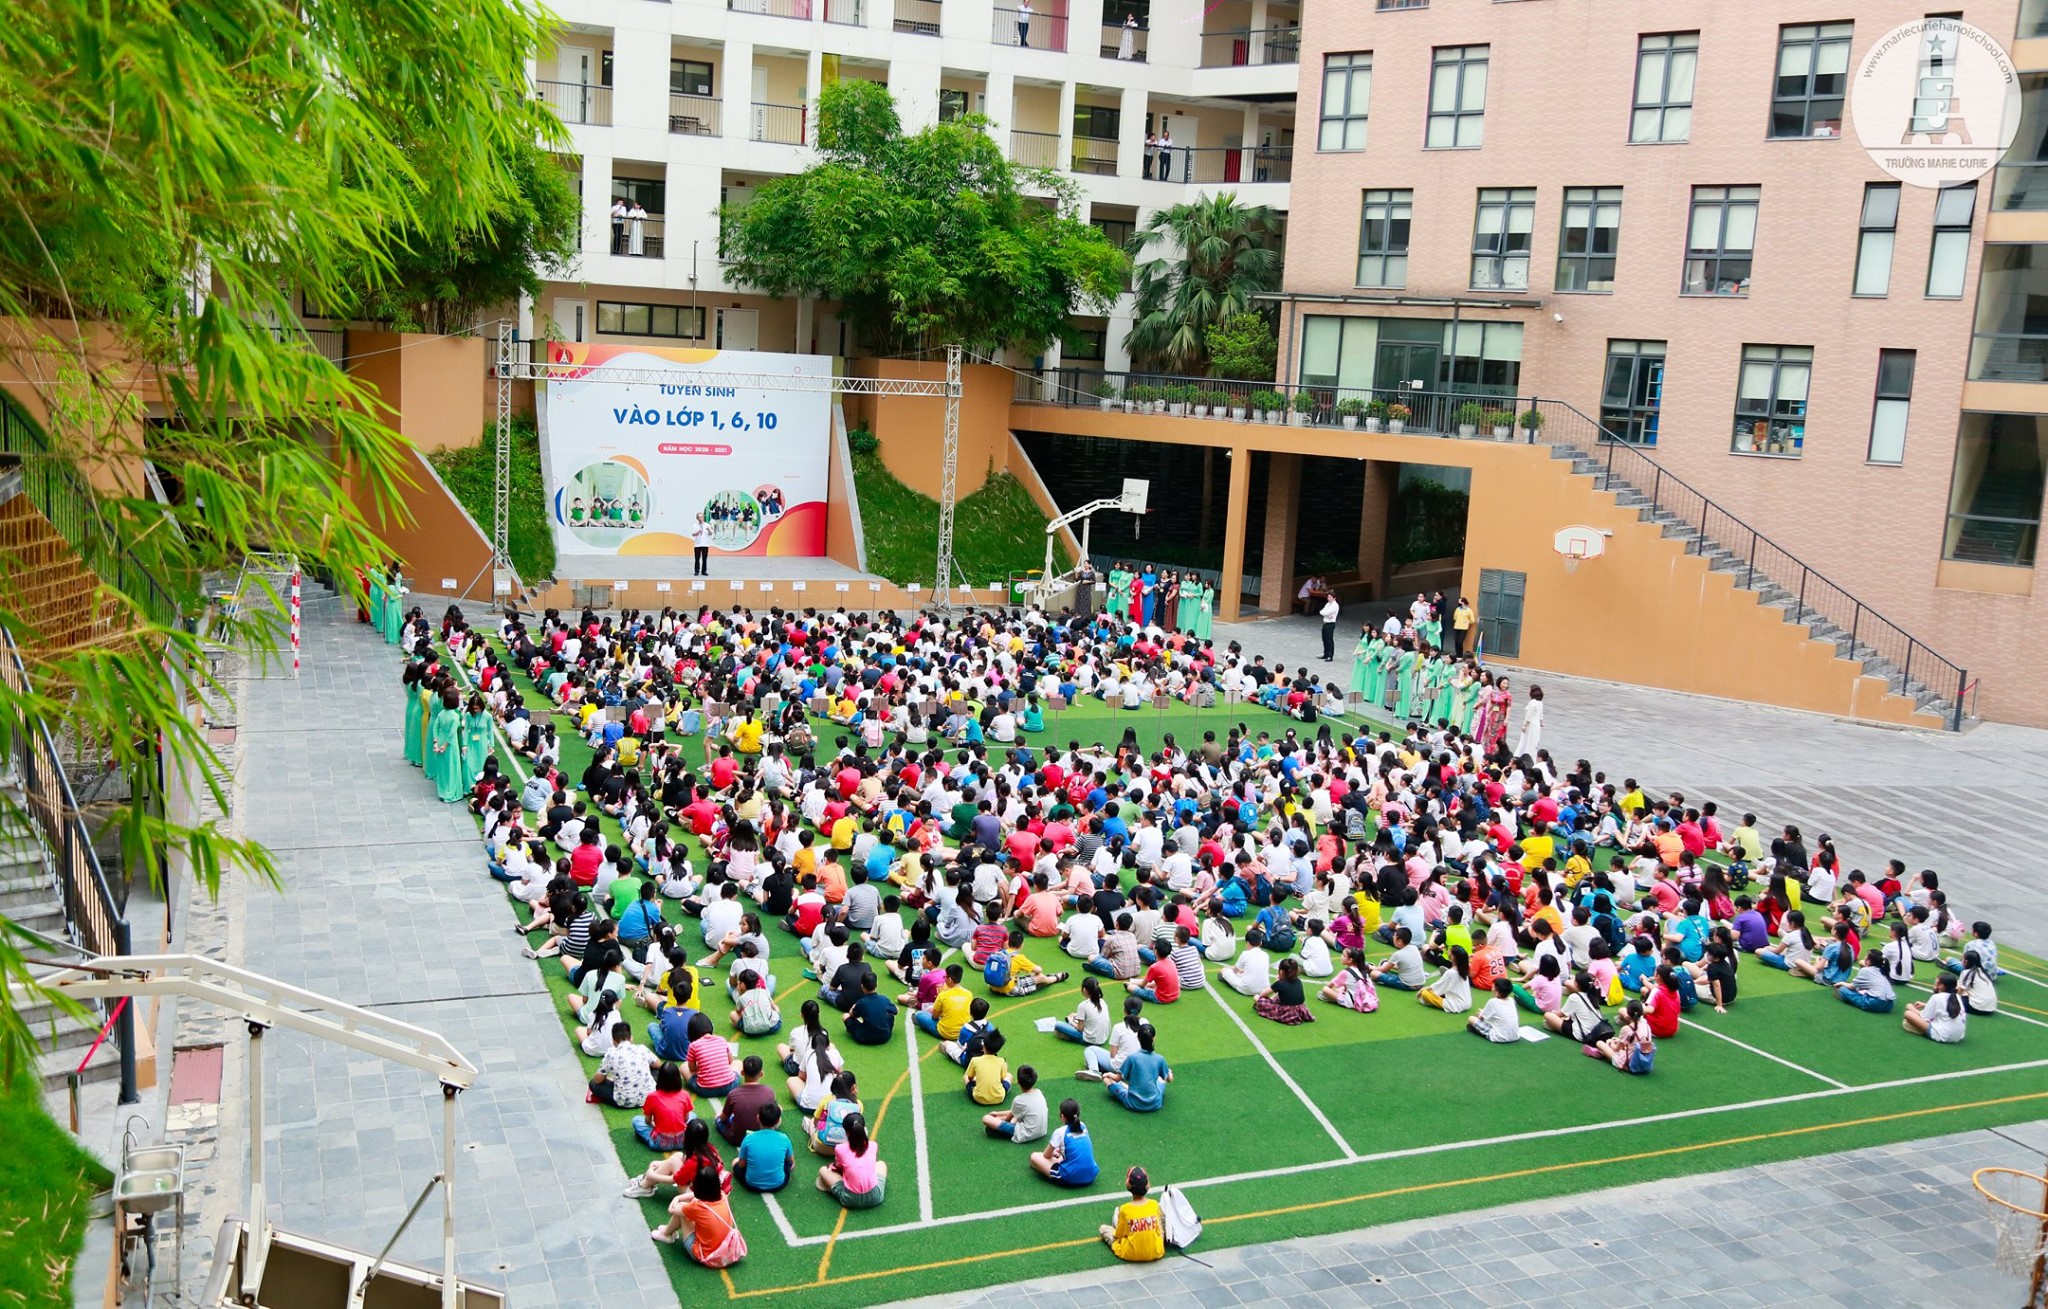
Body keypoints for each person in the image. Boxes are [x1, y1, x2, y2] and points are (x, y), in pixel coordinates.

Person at [651, 1167, 748, 1266]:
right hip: (725, 1247)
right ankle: (668, 1230)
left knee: (682, 1208)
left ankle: (667, 1234)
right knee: (688, 1206)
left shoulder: (698, 1207)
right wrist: (678, 1197)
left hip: (705, 1254)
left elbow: (672, 1210)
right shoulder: (722, 1195)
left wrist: (676, 1200)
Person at [818, 1111, 887, 1209]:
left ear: (846, 1132)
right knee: (881, 1164)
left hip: (850, 1200)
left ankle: (834, 1188)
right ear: (864, 1130)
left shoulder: (839, 1148)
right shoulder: (873, 1145)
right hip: (875, 1197)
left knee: (823, 1170)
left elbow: (839, 1168)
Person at [1099, 1166, 1166, 1262]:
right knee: (1160, 1221)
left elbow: (1118, 1235)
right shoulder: (1154, 1204)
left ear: (1128, 1185)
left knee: (1103, 1229)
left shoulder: (1125, 1209)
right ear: (1147, 1185)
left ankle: (1117, 1222)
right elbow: (1159, 1231)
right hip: (1156, 1252)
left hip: (1129, 1254)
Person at [1101, 1022, 1171, 1111]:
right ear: (1154, 1038)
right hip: (1155, 1103)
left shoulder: (1132, 1058)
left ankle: (1127, 1088)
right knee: (1161, 1079)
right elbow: (1169, 1079)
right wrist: (1169, 1072)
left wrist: (1108, 1074)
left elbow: (1117, 1078)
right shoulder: (1160, 1058)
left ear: (1138, 1038)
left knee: (1107, 1080)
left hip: (1133, 1103)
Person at [1031, 1097, 1101, 1185]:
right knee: (1062, 1156)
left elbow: (1046, 1155)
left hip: (1069, 1177)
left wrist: (1053, 1153)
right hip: (1091, 1174)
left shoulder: (1060, 1132)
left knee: (1034, 1157)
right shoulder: (1083, 1126)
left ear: (1063, 1116)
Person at [733, 1102, 796, 1193]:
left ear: (758, 1118)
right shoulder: (784, 1138)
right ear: (778, 1121)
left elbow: (742, 1164)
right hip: (778, 1184)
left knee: (735, 1161)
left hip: (752, 1185)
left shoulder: (748, 1138)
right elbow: (791, 1161)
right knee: (788, 1163)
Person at [983, 1065, 1049, 1143]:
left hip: (1025, 1134)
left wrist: (995, 1118)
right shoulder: (1039, 1092)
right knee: (1014, 1117)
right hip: (1042, 1132)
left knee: (986, 1119)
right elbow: (1014, 1111)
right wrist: (997, 1113)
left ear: (1018, 1082)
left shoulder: (1019, 1100)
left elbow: (1007, 1118)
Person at [1903, 975, 1967, 1043]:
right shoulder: (1957, 996)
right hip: (1958, 1036)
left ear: (1941, 986)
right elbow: (1946, 1007)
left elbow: (1924, 1018)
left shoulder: (1936, 997)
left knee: (1908, 1013)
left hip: (1943, 1036)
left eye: (1936, 983)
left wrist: (1911, 1007)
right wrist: (1925, 1005)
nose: (1934, 985)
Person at [1253, 956, 1315, 1024]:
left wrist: (1276, 983)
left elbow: (1263, 994)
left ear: (1281, 971)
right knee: (1277, 998)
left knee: (1257, 997)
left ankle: (1271, 1007)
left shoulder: (1280, 983)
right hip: (1300, 1009)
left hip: (1286, 1011)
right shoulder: (1298, 981)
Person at [1466, 977, 1520, 1043]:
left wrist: (1480, 1013)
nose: (1492, 987)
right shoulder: (1511, 1000)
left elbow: (1481, 1018)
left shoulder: (1493, 1002)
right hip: (1515, 1036)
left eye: (1493, 987)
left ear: (1497, 993)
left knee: (1471, 1018)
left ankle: (1481, 1033)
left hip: (1499, 1036)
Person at [691, 513, 714, 577]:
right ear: (697, 518)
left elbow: (711, 533)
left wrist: (709, 530)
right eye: (699, 517)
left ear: (703, 517)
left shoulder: (707, 525)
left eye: (702, 517)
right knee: (697, 558)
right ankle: (696, 571)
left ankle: (704, 571)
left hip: (705, 544)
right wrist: (698, 532)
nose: (701, 519)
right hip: (697, 544)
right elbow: (693, 534)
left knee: (704, 558)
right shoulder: (695, 525)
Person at [1319, 591, 1339, 663]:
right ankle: (1325, 653)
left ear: (1334, 598)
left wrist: (1326, 614)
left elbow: (1327, 612)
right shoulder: (1328, 604)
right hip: (1325, 623)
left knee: (1329, 640)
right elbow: (1322, 612)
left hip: (1331, 624)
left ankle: (1330, 655)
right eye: (1328, 597)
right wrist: (1326, 615)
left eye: (1330, 597)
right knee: (1324, 638)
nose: (1328, 598)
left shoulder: (1335, 605)